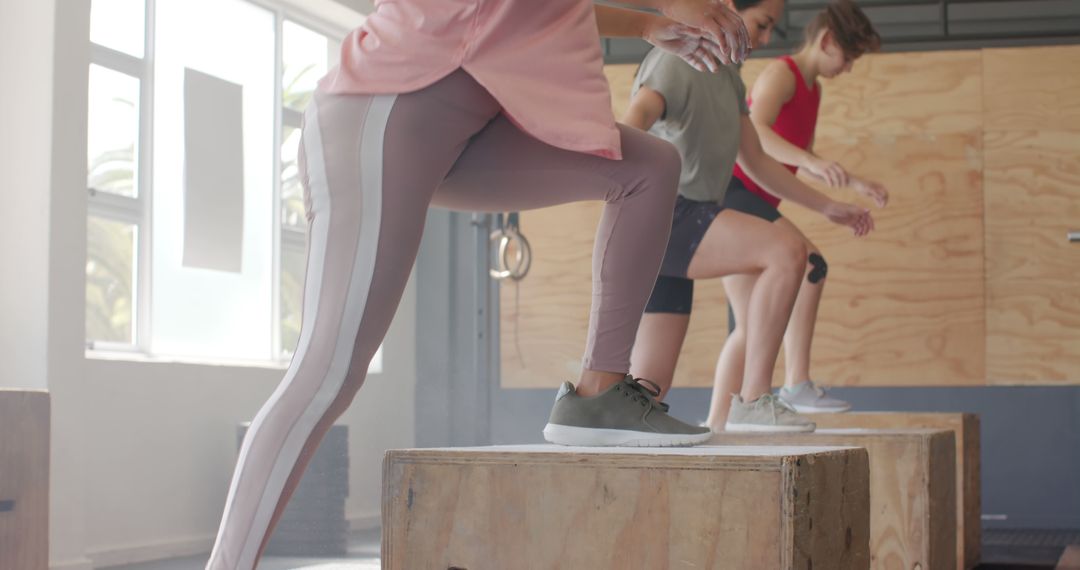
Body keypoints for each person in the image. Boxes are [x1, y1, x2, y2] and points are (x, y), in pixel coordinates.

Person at [207, 1, 752, 568]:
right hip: (381, 112)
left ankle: (599, 395)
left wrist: (643, 24)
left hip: (467, 130)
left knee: (648, 166)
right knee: (328, 372)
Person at [624, 0, 874, 434]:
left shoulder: (727, 77)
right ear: (723, 7)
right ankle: (754, 399)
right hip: (670, 213)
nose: (760, 40)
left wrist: (829, 206)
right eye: (760, 25)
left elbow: (756, 160)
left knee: (647, 395)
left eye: (768, 30)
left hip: (690, 217)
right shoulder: (675, 58)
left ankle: (623, 441)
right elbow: (636, 120)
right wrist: (618, 192)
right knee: (788, 253)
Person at [722, 0, 884, 423]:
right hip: (738, 194)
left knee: (748, 328)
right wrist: (811, 165)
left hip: (760, 201)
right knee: (811, 265)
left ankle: (718, 422)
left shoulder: (813, 89)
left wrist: (853, 182)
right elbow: (756, 130)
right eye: (848, 57)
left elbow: (800, 152)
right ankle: (794, 385)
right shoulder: (782, 73)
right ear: (827, 41)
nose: (848, 68)